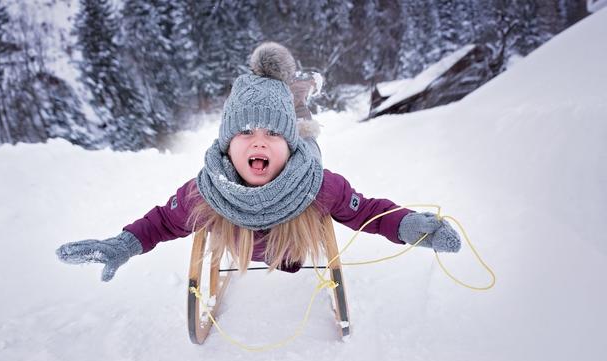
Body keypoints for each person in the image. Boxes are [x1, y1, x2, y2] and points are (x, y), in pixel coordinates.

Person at [56, 42, 460, 282]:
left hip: (297, 169)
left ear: (287, 145)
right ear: (228, 145)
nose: (258, 143)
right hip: (279, 153)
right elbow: (162, 221)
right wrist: (124, 244)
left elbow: (368, 213)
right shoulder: (207, 190)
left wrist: (411, 227)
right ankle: (291, 97)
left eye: (270, 136)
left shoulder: (318, 186)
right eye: (245, 134)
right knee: (286, 117)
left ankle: (296, 100)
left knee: (300, 123)